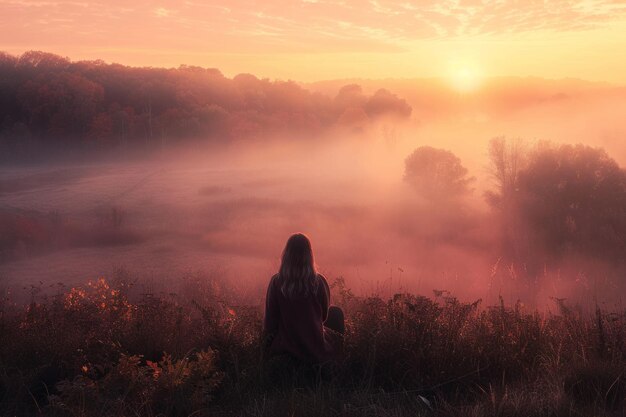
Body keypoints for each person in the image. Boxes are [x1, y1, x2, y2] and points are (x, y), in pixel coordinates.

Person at [262, 233, 344, 366]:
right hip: (315, 347)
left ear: (286, 255)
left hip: (286, 346)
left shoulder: (276, 282)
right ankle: (337, 362)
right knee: (336, 313)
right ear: (309, 255)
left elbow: (270, 324)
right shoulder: (319, 282)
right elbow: (323, 316)